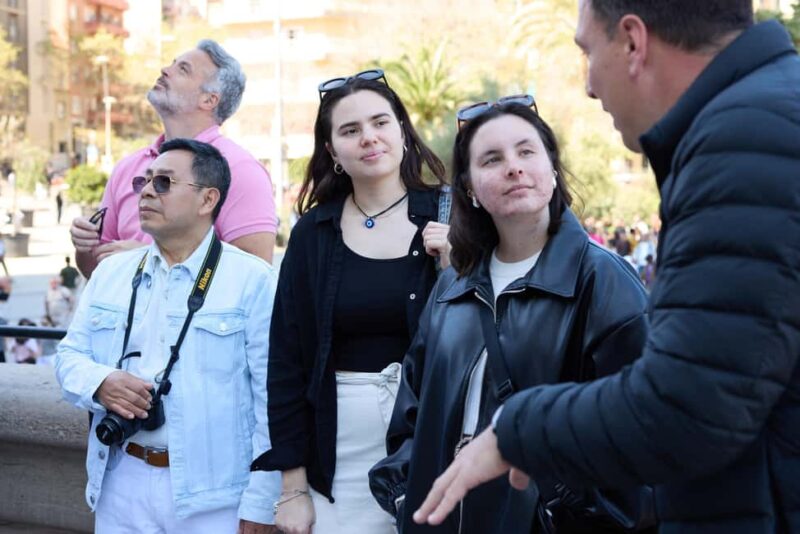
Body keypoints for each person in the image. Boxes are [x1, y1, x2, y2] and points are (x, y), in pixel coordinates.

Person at [412, 2, 800, 533]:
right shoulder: (760, 120)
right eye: (491, 160)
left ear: (634, 42)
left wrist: (515, 431)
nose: (590, 85)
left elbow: (687, 406)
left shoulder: (744, 141)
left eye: (587, 52)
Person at [370, 96, 652, 533]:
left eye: (526, 152)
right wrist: (407, 494)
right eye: (492, 159)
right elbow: (412, 409)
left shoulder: (603, 282)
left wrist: (558, 509)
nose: (514, 167)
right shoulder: (452, 285)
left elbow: (639, 433)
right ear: (469, 188)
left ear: (552, 170)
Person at [250, 70, 450, 534]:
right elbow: (286, 362)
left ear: (402, 129)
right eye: (350, 130)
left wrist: (455, 267)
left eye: (381, 122)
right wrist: (293, 488)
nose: (369, 138)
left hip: (433, 441)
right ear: (332, 151)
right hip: (337, 453)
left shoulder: (453, 216)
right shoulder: (313, 234)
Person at [56, 139, 280, 533]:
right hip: (119, 484)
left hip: (214, 498)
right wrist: (102, 383)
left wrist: (261, 501)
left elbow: (272, 398)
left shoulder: (253, 281)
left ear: (207, 199)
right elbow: (68, 357)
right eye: (144, 181)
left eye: (163, 183)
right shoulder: (111, 273)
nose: (145, 190)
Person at [69, 39, 277, 278]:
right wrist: (84, 246)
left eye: (183, 70)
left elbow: (255, 276)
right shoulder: (128, 167)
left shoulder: (241, 170)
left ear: (209, 99)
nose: (165, 70)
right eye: (172, 64)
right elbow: (96, 272)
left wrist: (151, 259)